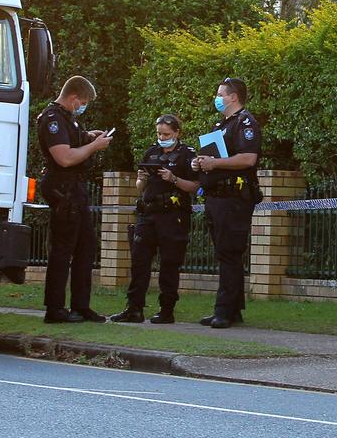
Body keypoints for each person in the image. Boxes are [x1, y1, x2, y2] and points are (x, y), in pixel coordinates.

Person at [36, 75, 112, 324]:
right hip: (62, 189)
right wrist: (94, 147)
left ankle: (81, 306)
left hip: (74, 189)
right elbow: (65, 157)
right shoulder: (52, 119)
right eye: (83, 103)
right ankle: (55, 309)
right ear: (73, 98)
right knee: (62, 249)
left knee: (86, 247)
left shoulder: (68, 119)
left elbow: (73, 140)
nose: (83, 107)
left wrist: (89, 137)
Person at [109, 114, 199, 324]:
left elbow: (195, 186)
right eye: (159, 133)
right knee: (139, 260)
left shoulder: (187, 155)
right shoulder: (152, 152)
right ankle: (134, 308)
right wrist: (142, 179)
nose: (162, 137)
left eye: (166, 134)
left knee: (169, 262)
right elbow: (140, 188)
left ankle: (166, 310)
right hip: (149, 213)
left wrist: (173, 178)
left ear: (177, 132)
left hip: (173, 214)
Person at [192, 77, 262, 329]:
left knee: (230, 253)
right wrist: (201, 163)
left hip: (234, 198)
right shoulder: (222, 124)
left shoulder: (245, 123)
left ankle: (223, 311)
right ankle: (233, 310)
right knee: (224, 253)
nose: (217, 97)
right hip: (217, 196)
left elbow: (247, 158)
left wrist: (215, 163)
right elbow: (215, 158)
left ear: (233, 97)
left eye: (221, 94)